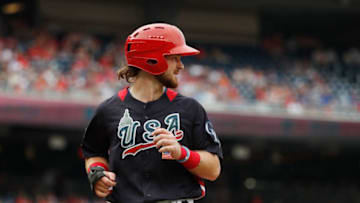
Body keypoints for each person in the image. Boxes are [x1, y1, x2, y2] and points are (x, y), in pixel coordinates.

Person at [81, 23, 223, 203]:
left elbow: (213, 170)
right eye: (175, 58)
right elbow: (93, 152)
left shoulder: (190, 109)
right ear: (152, 59)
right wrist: (98, 173)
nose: (180, 66)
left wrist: (182, 153)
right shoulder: (108, 110)